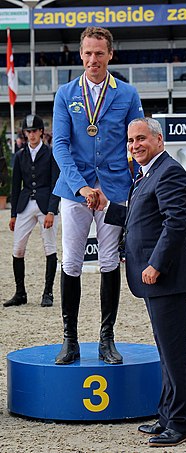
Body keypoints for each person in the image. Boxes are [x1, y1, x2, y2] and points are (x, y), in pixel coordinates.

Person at [93, 117, 186, 447]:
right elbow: (136, 218)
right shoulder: (146, 175)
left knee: (174, 355)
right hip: (154, 280)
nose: (134, 145)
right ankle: (168, 414)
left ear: (159, 140)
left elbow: (174, 225)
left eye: (141, 138)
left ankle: (182, 423)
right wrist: (105, 206)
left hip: (167, 278)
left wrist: (156, 264)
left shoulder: (170, 172)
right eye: (130, 141)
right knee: (165, 352)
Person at [52, 26, 144, 366]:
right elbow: (60, 145)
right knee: (71, 262)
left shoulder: (127, 93)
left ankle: (107, 339)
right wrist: (82, 187)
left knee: (109, 261)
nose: (93, 59)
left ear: (110, 55)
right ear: (80, 54)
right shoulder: (65, 93)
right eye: (88, 53)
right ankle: (70, 339)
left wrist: (111, 185)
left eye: (99, 53)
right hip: (75, 191)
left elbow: (135, 142)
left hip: (114, 191)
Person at [3, 114, 60, 308]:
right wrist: (12, 215)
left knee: (49, 247)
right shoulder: (20, 155)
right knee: (18, 248)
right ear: (25, 134)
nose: (32, 135)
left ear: (41, 132)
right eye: (28, 132)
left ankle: (48, 292)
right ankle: (20, 293)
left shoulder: (51, 153)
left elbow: (55, 183)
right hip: (25, 203)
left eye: (35, 131)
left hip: (46, 203)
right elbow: (15, 184)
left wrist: (52, 211)